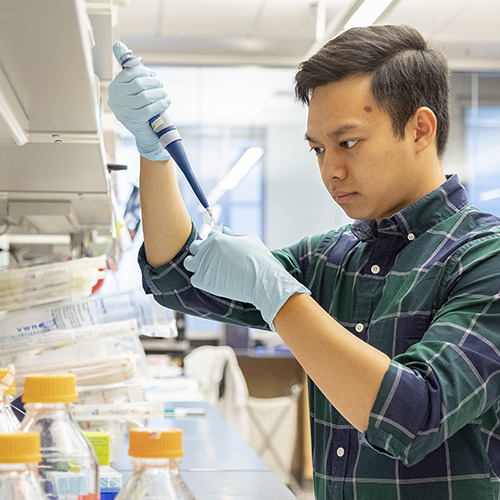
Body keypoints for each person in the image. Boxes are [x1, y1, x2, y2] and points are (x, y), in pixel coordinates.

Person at [108, 24, 500, 500]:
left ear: (420, 129)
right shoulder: (332, 257)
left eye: (348, 143)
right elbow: (178, 279)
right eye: (318, 149)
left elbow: (414, 417)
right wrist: (154, 153)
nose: (330, 170)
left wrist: (280, 297)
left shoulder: (484, 256)